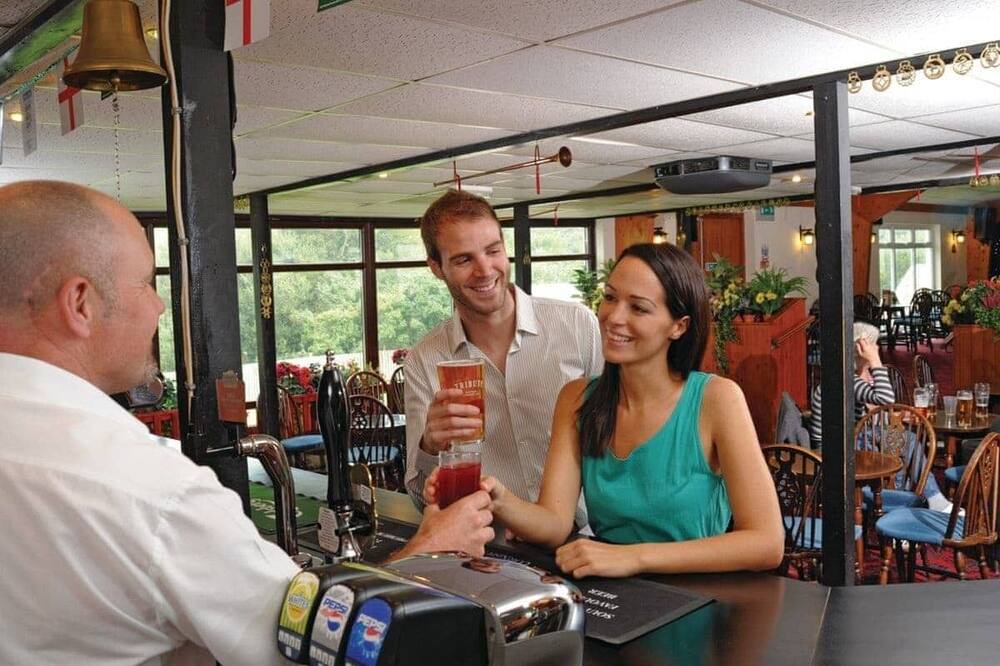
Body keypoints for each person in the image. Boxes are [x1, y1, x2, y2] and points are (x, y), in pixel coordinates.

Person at [0, 181, 493, 665]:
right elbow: (307, 645)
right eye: (147, 282)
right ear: (80, 304)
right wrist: (429, 549)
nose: (157, 306)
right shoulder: (148, 491)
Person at [427, 243, 785, 578]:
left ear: (679, 326)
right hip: (615, 592)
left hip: (699, 599)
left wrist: (634, 557)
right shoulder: (578, 398)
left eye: (639, 307)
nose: (614, 316)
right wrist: (497, 496)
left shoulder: (717, 399)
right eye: (610, 298)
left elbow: (767, 543)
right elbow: (554, 523)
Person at [404, 190, 603, 517]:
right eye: (463, 259)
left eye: (492, 251)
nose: (484, 270)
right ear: (436, 268)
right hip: (491, 549)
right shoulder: (424, 360)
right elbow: (419, 498)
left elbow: (621, 435)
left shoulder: (577, 325)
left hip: (586, 538)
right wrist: (429, 446)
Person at [808, 321, 950, 512]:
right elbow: (886, 399)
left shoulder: (845, 378)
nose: (876, 348)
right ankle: (918, 499)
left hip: (844, 444)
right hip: (833, 453)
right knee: (901, 438)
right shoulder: (847, 381)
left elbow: (869, 416)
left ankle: (906, 499)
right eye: (872, 346)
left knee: (892, 438)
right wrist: (875, 361)